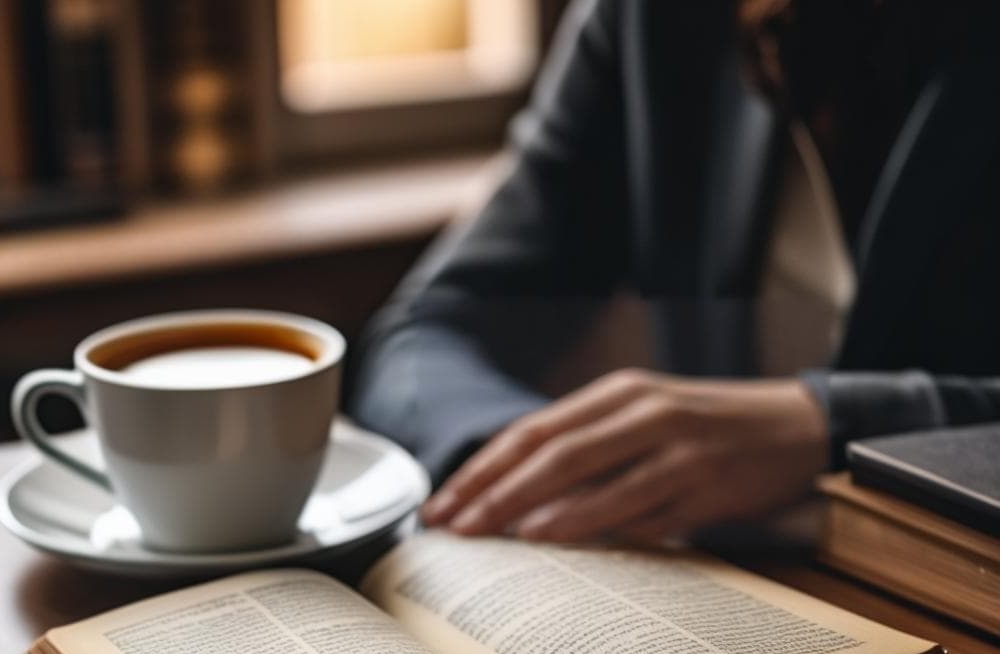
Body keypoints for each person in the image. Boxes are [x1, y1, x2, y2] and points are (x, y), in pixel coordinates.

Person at [349, 0, 1000, 546]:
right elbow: (422, 336)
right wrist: (546, 465)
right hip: (727, 595)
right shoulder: (648, 19)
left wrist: (830, 425)